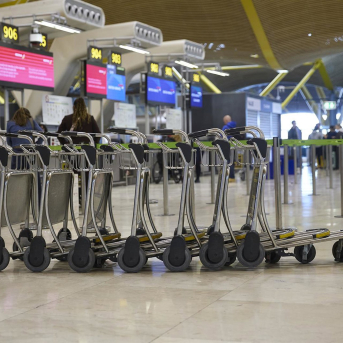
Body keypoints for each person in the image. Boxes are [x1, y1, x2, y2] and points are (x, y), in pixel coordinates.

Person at [222, 115, 237, 181]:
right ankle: (232, 176)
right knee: (232, 162)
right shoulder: (235, 126)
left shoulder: (225, 127)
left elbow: (221, 136)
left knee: (228, 162)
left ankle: (230, 176)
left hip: (226, 146)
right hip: (234, 146)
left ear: (225, 121)